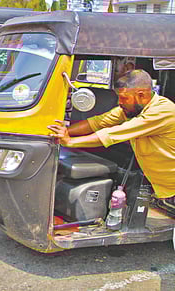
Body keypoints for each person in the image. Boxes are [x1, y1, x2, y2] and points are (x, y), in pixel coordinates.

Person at [48, 69, 175, 211]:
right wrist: (65, 132)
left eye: (124, 98)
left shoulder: (162, 111)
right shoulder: (132, 109)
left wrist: (71, 142)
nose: (120, 102)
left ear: (141, 95)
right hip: (162, 189)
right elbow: (98, 122)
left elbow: (112, 134)